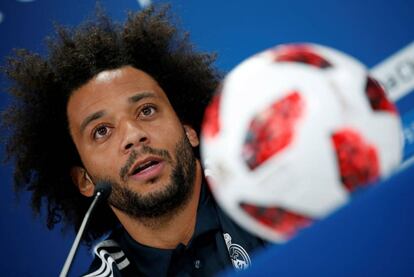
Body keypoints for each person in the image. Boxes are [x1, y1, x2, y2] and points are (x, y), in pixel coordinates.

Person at [2, 6, 265, 276]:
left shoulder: (274, 197)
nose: (133, 135)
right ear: (85, 180)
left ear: (189, 130)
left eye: (147, 110)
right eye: (102, 131)